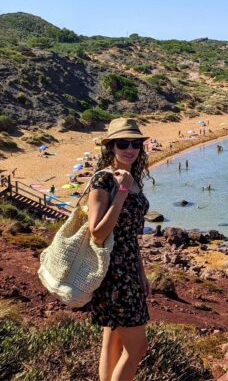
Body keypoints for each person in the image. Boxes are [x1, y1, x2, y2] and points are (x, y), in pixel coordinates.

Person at [87, 118, 151, 381]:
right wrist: (122, 191)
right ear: (111, 147)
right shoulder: (104, 180)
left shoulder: (132, 179)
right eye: (123, 143)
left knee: (112, 341)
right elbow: (97, 232)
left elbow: (130, 236)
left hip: (129, 269)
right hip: (113, 272)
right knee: (138, 348)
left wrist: (141, 273)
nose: (130, 149)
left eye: (135, 144)